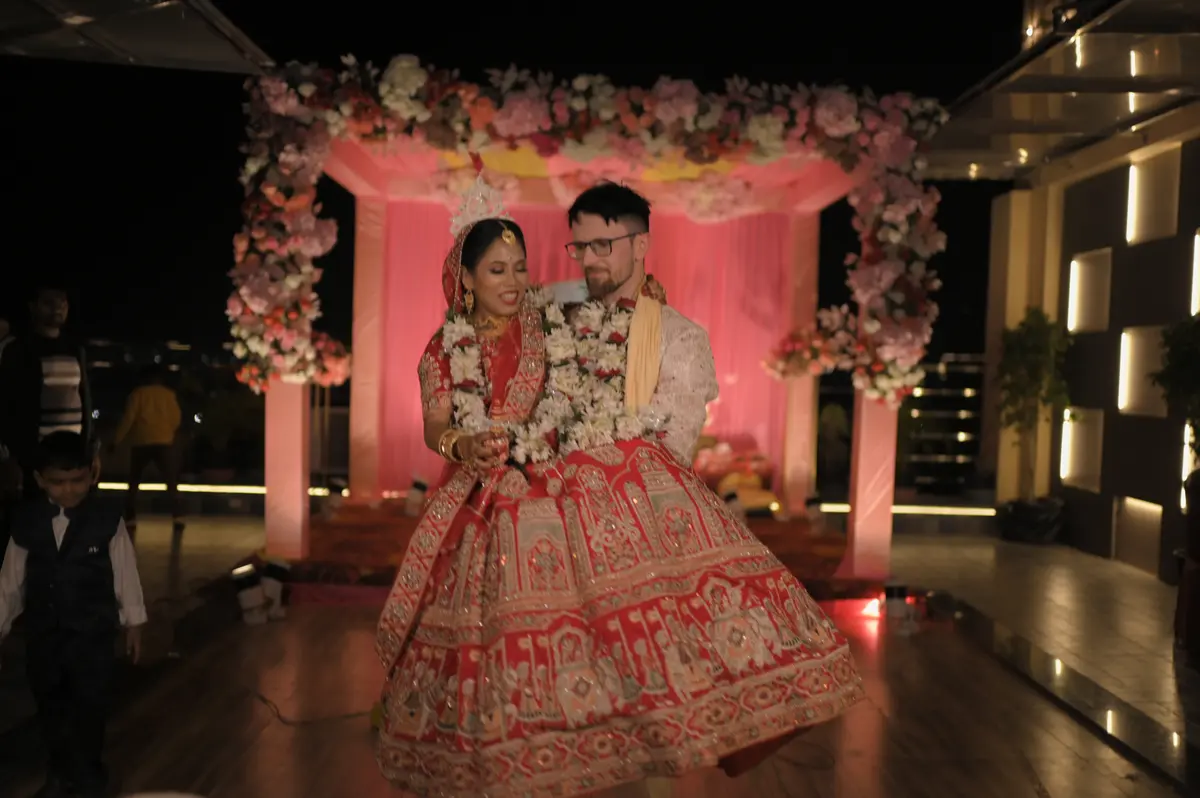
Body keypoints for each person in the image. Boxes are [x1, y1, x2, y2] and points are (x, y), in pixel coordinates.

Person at [374, 178, 863, 798]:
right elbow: (499, 385)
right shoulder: (554, 317)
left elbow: (671, 449)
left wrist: (607, 490)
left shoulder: (677, 337)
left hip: (630, 523)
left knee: (653, 687)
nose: (590, 260)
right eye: (580, 248)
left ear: (641, 245)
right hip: (533, 512)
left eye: (603, 245)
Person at [0, 431, 146, 798]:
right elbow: (10, 582)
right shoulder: (27, 521)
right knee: (50, 704)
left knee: (90, 705)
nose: (68, 490)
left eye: (77, 480)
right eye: (58, 482)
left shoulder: (107, 518)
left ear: (92, 472)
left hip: (93, 634)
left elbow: (125, 572)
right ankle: (59, 771)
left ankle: (89, 775)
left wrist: (134, 621)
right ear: (39, 480)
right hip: (44, 634)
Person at [0, 282, 93, 500]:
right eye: (49, 303)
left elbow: (84, 398)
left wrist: (91, 449)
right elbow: (6, 404)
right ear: (33, 307)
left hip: (72, 453)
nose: (57, 308)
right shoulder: (19, 349)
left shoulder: (74, 349)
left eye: (62, 303)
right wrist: (10, 457)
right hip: (34, 455)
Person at [112, 365, 184, 536]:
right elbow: (176, 417)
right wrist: (168, 432)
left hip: (141, 441)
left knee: (134, 481)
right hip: (164, 441)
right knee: (171, 481)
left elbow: (128, 418)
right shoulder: (169, 394)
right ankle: (178, 517)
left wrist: (116, 441)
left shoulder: (138, 394)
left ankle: (131, 517)